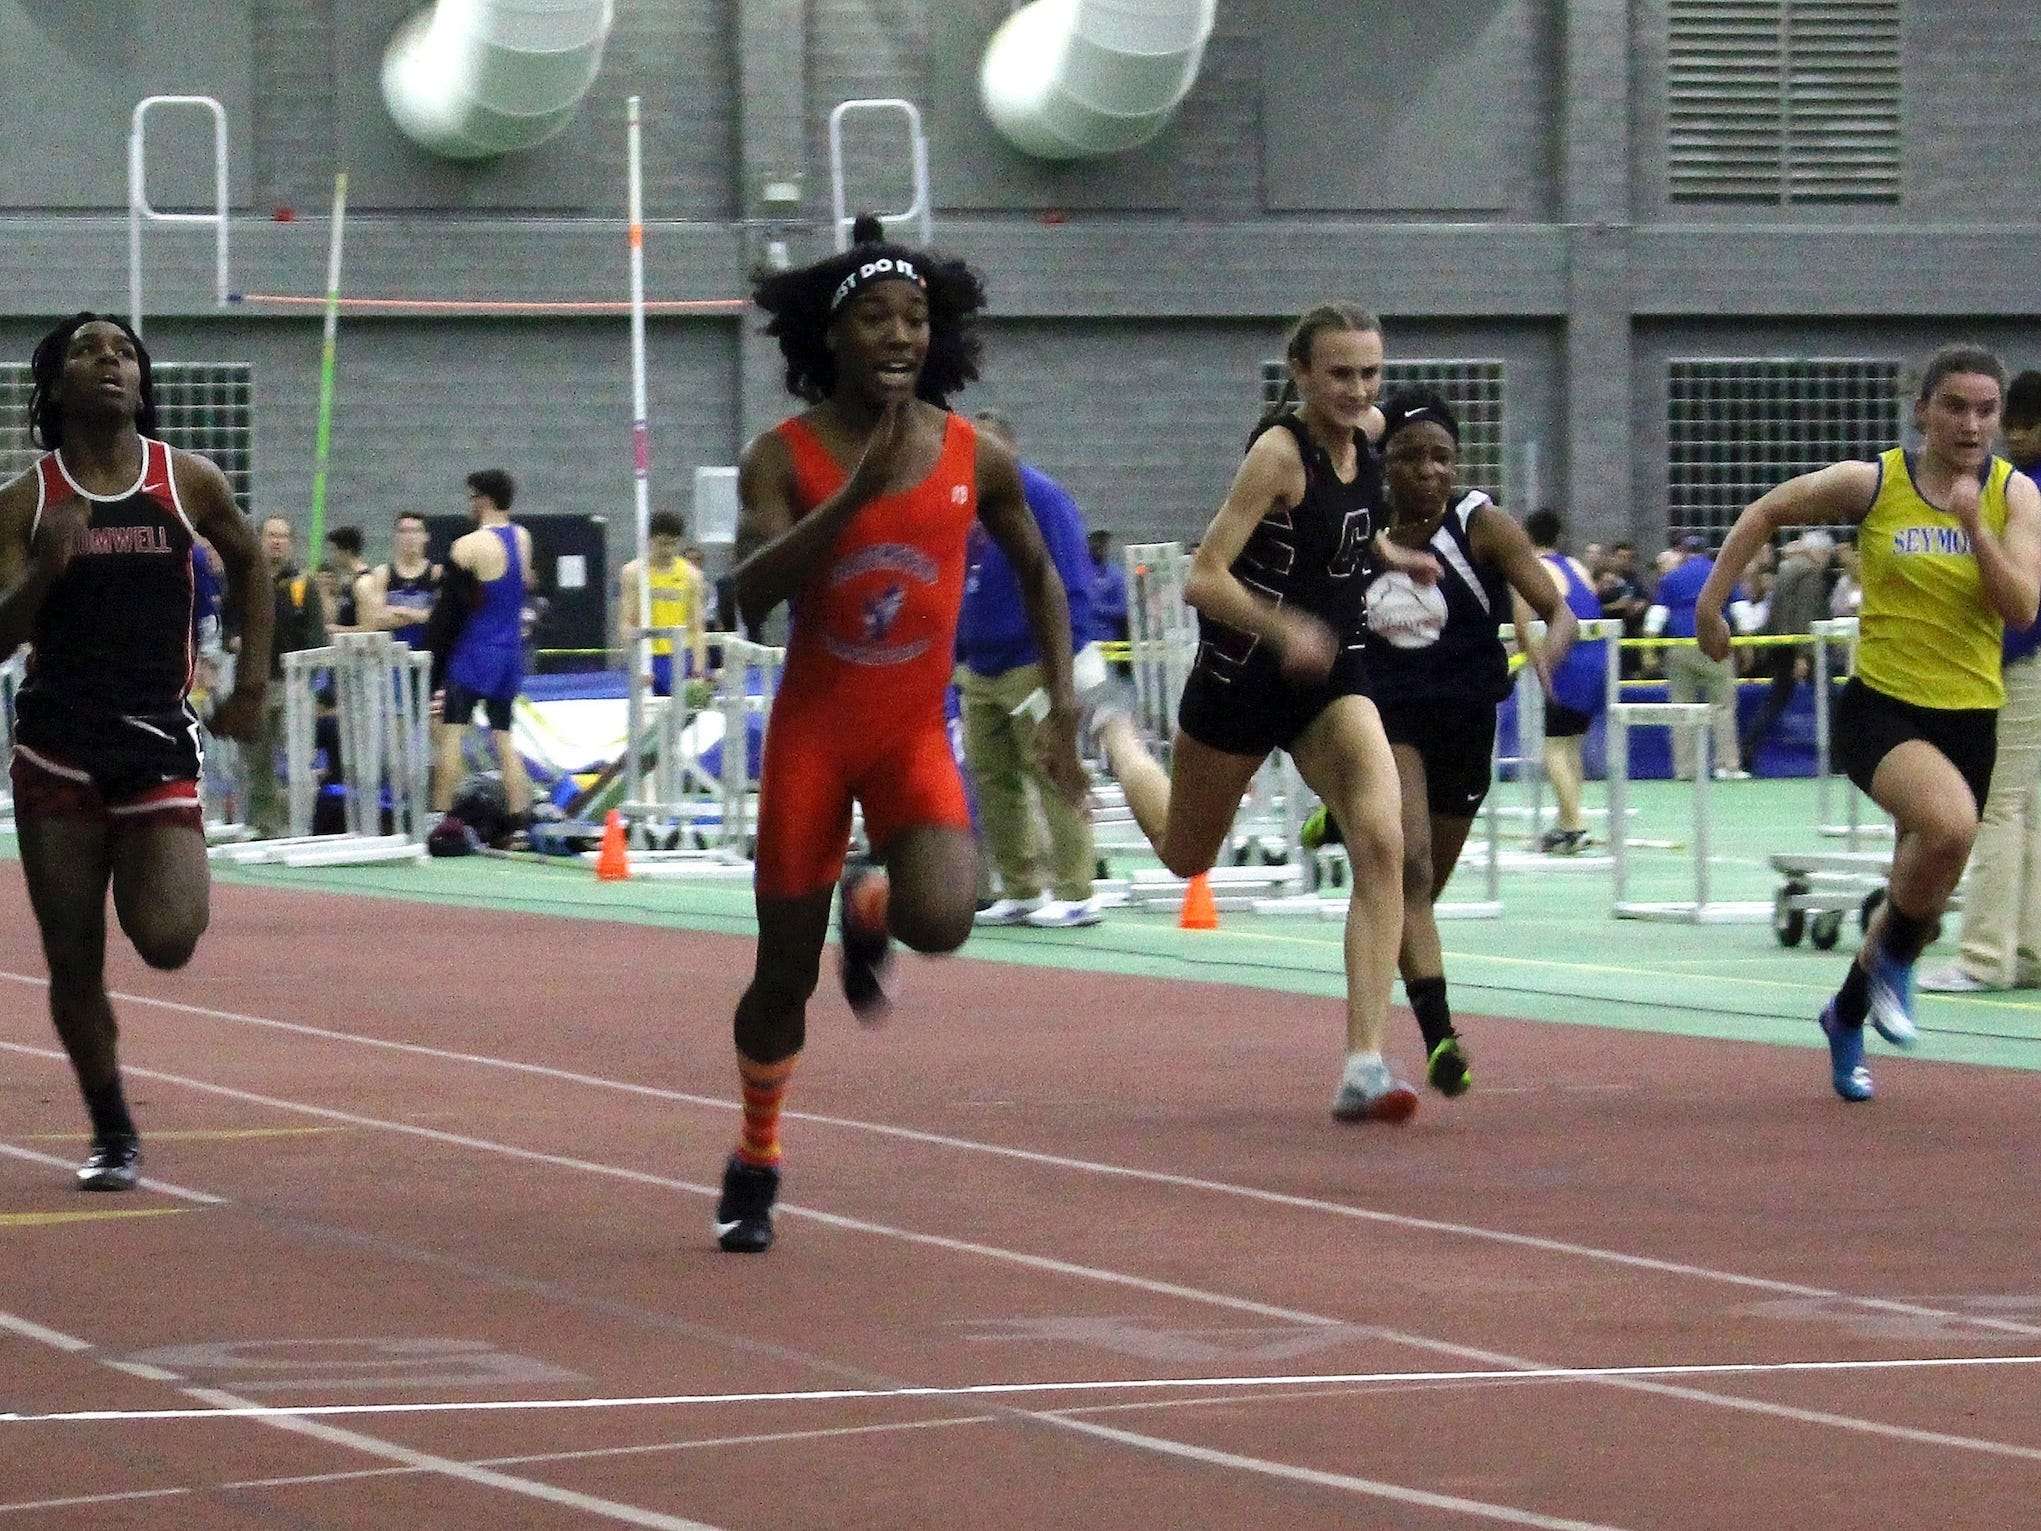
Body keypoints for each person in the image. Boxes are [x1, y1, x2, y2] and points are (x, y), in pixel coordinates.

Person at [712, 217, 1087, 1253]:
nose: (898, 335)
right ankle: (756, 1154)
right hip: (813, 744)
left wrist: (1061, 706)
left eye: (916, 318)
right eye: (874, 316)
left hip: (912, 735)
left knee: (943, 921)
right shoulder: (780, 457)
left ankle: (869, 898)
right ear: (828, 338)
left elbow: (1042, 572)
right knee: (779, 981)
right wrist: (857, 497)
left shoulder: (975, 454)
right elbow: (747, 595)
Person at [1094, 303, 1439, 1122]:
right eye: (1340, 375)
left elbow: (1344, 534)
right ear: (1300, 375)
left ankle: (1363, 1063)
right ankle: (1113, 739)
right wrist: (1284, 627)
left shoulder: (1371, 436)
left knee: (1382, 841)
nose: (1358, 389)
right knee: (1184, 854)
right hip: (1242, 675)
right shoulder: (1277, 458)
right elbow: (1203, 576)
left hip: (1329, 679)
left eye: (1370, 373)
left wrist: (1388, 556)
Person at [1697, 344, 2041, 1101]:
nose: (1971, 423)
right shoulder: (1875, 481)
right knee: (1948, 828)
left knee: (1918, 882)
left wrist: (1974, 529)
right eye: (1954, 406)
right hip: (1881, 708)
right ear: (1923, 410)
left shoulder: (2014, 497)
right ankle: (1891, 964)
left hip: (1970, 715)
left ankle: (1845, 1013)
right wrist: (1708, 603)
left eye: (1985, 410)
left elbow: (2019, 606)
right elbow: (1765, 512)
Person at [0, 312, 272, 1190]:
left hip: (154, 743)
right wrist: (45, 567)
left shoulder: (185, 480)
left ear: (142, 383)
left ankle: (141, 858)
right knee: (73, 960)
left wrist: (254, 681)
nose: (109, 361)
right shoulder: (24, 501)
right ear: (55, 386)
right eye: (88, 350)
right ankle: (112, 1128)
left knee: (166, 937)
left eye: (123, 351)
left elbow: (250, 563)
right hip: (58, 753)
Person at [1353, 391, 1577, 1093]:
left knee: (1416, 891)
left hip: (1465, 719)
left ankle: (1349, 820)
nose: (1427, 471)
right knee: (1409, 865)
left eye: (1440, 457)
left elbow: (1556, 607)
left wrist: (1546, 646)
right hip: (1387, 717)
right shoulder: (1359, 527)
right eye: (1409, 456)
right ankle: (1439, 1038)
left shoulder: (1481, 523)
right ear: (1382, 463)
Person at [956, 408, 1101, 928]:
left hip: (1033, 662)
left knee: (1052, 769)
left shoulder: (1041, 497)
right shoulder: (967, 503)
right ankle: (1021, 887)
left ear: (1007, 451)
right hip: (980, 665)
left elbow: (1070, 581)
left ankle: (1077, 889)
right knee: (993, 778)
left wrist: (1064, 669)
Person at [1922, 370, 2041, 992]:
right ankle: (2029, 952)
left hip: (2021, 660)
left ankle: (1984, 956)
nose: (2012, 437)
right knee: (2034, 812)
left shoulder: (2021, 490)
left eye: (2021, 425)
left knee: (1996, 808)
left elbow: (2020, 598)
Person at [429, 469, 534, 822]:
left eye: (472, 498)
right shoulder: (522, 538)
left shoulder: (467, 546)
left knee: (452, 734)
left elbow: (449, 614)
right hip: (509, 654)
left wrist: (435, 663)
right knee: (504, 739)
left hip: (475, 652)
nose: (469, 505)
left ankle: (442, 818)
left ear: (484, 500)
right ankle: (520, 820)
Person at [1522, 509, 1608, 855]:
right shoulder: (1578, 568)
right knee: (1570, 746)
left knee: (1553, 747)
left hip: (1568, 662)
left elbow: (1527, 618)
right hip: (1597, 661)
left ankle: (1574, 825)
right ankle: (1566, 820)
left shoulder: (1538, 568)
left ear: (1526, 538)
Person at [245, 515, 329, 839]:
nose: (276, 541)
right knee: (257, 759)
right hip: (255, 684)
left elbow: (317, 636)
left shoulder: (303, 585)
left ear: (291, 542)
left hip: (293, 685)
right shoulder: (247, 578)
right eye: (271, 535)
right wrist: (233, 640)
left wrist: (314, 686)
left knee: (297, 758)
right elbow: (232, 622)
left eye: (282, 536)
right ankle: (265, 827)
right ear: (261, 539)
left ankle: (298, 826)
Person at [1649, 534, 1754, 779]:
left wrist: (1648, 651)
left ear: (1684, 553)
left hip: (1679, 647)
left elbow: (1655, 617)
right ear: (1707, 552)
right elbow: (1742, 612)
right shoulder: (1722, 574)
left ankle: (1685, 769)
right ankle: (1727, 766)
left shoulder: (1671, 578)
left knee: (1681, 707)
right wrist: (1748, 648)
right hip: (1715, 645)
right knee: (1723, 706)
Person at [1739, 529, 1835, 769]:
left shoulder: (1786, 569)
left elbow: (1778, 612)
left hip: (1782, 645)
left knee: (1776, 699)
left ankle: (1748, 748)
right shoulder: (1810, 573)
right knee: (1831, 700)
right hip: (1803, 648)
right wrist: (1804, 655)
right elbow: (1806, 613)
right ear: (1820, 552)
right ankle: (1837, 759)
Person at [616, 508, 708, 697]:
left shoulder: (691, 576)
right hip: (648, 657)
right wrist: (636, 664)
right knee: (648, 721)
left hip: (681, 655)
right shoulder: (633, 573)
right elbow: (626, 623)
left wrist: (698, 668)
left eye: (673, 544)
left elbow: (697, 627)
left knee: (682, 719)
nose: (667, 550)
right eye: (662, 544)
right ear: (650, 540)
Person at [356, 509, 441, 649]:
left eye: (416, 531)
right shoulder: (382, 574)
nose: (410, 537)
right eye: (404, 531)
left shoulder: (436, 573)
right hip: (393, 656)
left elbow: (440, 618)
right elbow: (376, 620)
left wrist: (401, 611)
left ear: (426, 536)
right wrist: (421, 616)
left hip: (427, 652)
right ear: (395, 536)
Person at [321, 525, 368, 632]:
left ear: (346, 552)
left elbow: (369, 628)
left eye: (334, 550)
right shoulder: (347, 581)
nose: (332, 556)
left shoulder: (364, 583)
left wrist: (335, 630)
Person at [1088, 527, 1129, 646]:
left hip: (1107, 641)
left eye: (1103, 545)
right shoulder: (1077, 574)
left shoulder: (1116, 576)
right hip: (1082, 641)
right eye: (1095, 544)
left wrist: (1094, 608)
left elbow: (1122, 609)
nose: (1099, 549)